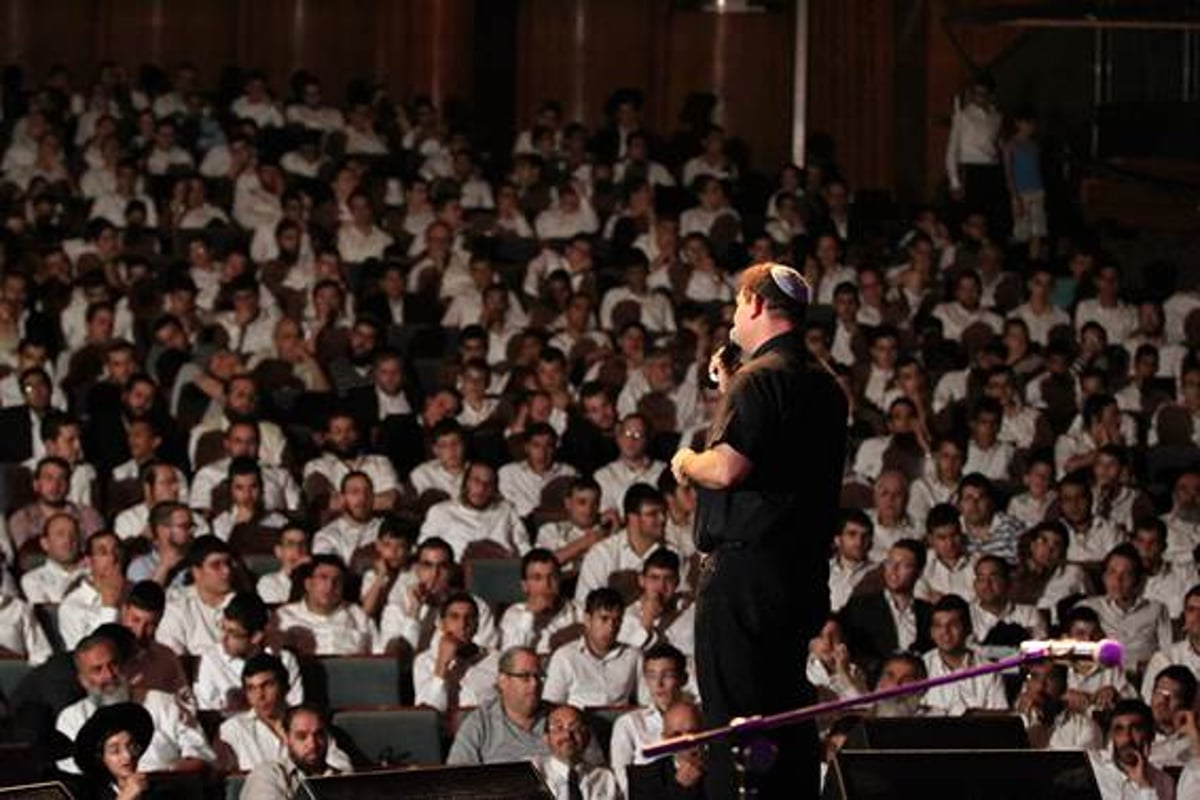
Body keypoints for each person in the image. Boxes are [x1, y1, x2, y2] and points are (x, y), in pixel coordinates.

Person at [670, 262, 847, 798]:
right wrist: (731, 389)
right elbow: (780, 452)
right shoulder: (826, 385)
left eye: (736, 304)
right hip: (798, 575)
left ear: (754, 302)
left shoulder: (759, 379)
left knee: (738, 725)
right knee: (786, 715)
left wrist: (685, 460)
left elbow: (726, 468)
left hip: (745, 576)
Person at [217, 655, 350, 773]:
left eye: (267, 685)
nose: (259, 695)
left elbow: (343, 768)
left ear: (285, 687)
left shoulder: (308, 722)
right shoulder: (233, 729)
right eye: (251, 688)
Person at [194, 592, 302, 712]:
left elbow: (294, 708)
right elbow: (206, 709)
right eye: (223, 628)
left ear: (256, 637)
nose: (223, 638)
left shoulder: (285, 660)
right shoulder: (211, 659)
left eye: (232, 633)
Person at [447, 645, 552, 765]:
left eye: (539, 676)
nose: (534, 683)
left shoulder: (559, 718)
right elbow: (458, 774)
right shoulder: (480, 723)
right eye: (525, 676)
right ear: (503, 681)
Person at [610, 644, 690, 796]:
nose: (659, 684)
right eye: (652, 676)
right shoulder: (628, 723)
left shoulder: (698, 718)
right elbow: (623, 780)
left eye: (667, 675)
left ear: (683, 678)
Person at [544, 588, 640, 707]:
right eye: (604, 619)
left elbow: (646, 703)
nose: (611, 628)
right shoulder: (565, 657)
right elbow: (552, 705)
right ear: (587, 620)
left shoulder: (633, 656)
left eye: (617, 620)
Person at [920, 595, 1008, 716]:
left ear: (968, 628)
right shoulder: (920, 666)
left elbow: (1000, 719)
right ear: (931, 632)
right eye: (938, 625)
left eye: (953, 624)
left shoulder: (989, 671)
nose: (945, 631)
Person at [412, 592, 500, 712]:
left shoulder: (496, 660)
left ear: (477, 625)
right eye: (454, 617)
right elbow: (428, 714)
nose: (462, 624)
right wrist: (441, 665)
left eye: (469, 617)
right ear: (442, 624)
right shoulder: (425, 662)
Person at [239, 703, 345, 798]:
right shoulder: (268, 775)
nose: (312, 744)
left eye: (319, 735)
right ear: (286, 738)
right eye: (301, 736)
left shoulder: (342, 777)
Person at [1086, 699, 1177, 800]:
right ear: (1111, 735)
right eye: (1119, 729)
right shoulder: (1092, 767)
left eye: (1136, 729)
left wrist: (1144, 785)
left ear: (1151, 735)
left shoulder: (1165, 783)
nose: (1127, 738)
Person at [71, 702, 155, 800]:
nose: (127, 755)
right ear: (101, 757)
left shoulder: (158, 790)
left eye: (131, 746)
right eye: (115, 751)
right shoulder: (86, 794)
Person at [535, 704, 621, 800]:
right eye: (559, 728)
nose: (567, 735)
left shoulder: (605, 778)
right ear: (546, 738)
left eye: (575, 728)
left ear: (587, 737)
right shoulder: (534, 774)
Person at [626, 700, 707, 800]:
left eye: (693, 732)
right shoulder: (644, 779)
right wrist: (679, 788)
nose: (686, 741)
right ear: (666, 739)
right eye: (677, 735)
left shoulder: (724, 769)